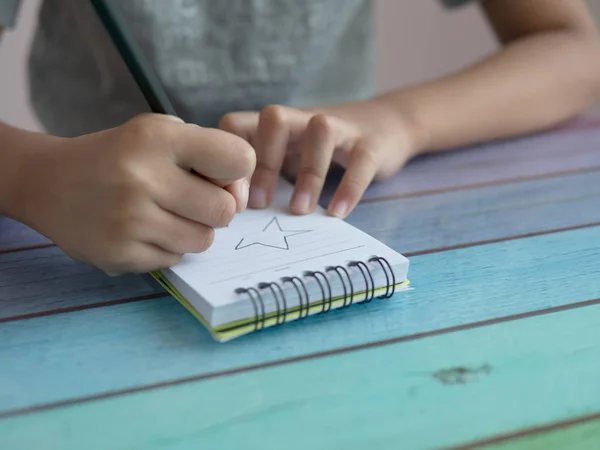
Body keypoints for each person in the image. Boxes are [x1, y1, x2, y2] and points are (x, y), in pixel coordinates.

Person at [0, 0, 599, 276]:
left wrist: (401, 119)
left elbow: (576, 50)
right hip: (71, 237)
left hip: (348, 204)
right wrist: (31, 176)